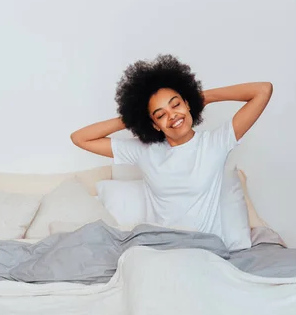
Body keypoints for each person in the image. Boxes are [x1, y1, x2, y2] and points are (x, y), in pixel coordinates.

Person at [70, 54, 272, 237]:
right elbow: (80, 138)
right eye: (160, 115)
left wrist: (203, 97)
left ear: (187, 104)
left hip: (204, 250)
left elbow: (263, 90)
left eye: (176, 105)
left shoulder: (216, 142)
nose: (172, 115)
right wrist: (134, 117)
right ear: (154, 124)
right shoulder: (145, 151)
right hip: (160, 249)